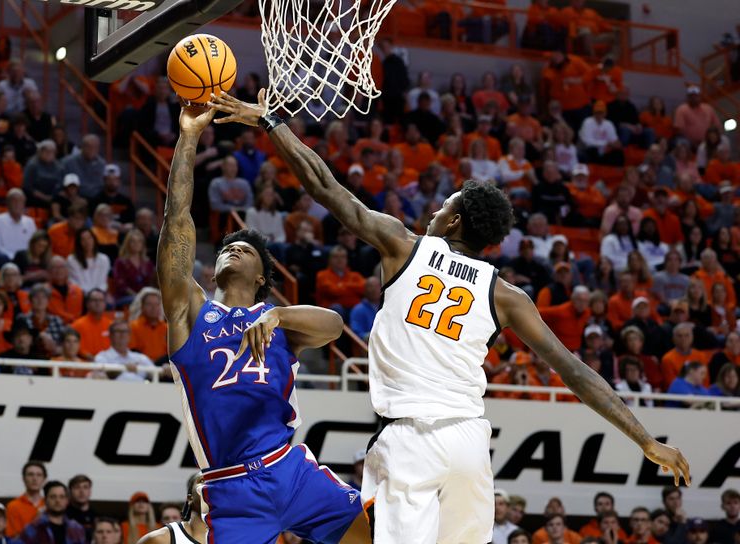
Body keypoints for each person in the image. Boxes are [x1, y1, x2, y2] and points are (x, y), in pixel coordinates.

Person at [211, 89, 690, 544]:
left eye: (443, 207)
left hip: (410, 438)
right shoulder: (506, 295)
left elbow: (323, 186)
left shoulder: (404, 246)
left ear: (454, 221)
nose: (435, 212)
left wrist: (271, 122)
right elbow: (576, 372)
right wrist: (645, 439)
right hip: (468, 442)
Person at [154, 104, 368, 543]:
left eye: (245, 250)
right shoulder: (191, 311)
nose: (233, 250)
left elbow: (333, 325)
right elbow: (177, 218)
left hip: (288, 468)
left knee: (374, 533)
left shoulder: (279, 321)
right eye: (227, 248)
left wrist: (276, 315)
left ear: (261, 278)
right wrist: (189, 138)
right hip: (229, 489)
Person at [135, 476, 205, 544]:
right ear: (190, 498)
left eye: (216, 481)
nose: (212, 485)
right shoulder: (159, 539)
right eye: (203, 480)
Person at [19, 481, 86, 544]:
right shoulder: (34, 527)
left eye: (62, 497)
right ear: (45, 501)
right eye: (53, 497)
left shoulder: (76, 528)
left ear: (67, 501)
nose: (57, 500)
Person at [315, 246, 366, 321]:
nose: (340, 260)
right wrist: (352, 289)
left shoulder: (355, 275)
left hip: (353, 309)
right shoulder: (322, 275)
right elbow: (333, 291)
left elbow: (364, 289)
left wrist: (342, 286)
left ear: (347, 260)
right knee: (337, 308)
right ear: (329, 260)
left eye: (343, 257)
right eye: (336, 257)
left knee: (363, 307)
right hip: (331, 312)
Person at [0, 188, 36, 260]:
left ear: (24, 204)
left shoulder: (30, 222)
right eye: (14, 201)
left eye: (20, 201)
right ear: (7, 203)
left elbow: (33, 245)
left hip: (26, 259)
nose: (17, 204)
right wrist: (13, 257)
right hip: (5, 258)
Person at [112, 229, 155, 306]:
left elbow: (151, 283)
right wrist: (138, 296)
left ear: (142, 244)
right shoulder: (120, 262)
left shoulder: (148, 263)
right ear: (128, 244)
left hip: (146, 296)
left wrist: (146, 296)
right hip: (126, 297)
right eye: (133, 241)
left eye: (139, 241)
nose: (136, 244)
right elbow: (121, 285)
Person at [6, 461, 46, 537]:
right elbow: (14, 539)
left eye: (39, 475)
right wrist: (36, 521)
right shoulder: (13, 506)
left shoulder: (49, 504)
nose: (35, 478)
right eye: (30, 474)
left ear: (44, 480)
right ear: (23, 478)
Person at [128, 287, 168, 364]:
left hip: (163, 368)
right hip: (142, 366)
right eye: (149, 304)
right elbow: (133, 351)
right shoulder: (133, 326)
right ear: (142, 307)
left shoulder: (167, 328)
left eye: (156, 304)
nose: (153, 308)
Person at [71, 289, 112, 360]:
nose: (98, 303)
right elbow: (72, 347)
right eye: (94, 300)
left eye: (101, 300)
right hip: (85, 363)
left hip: (108, 363)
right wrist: (87, 355)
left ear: (105, 304)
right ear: (87, 304)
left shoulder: (111, 325)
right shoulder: (77, 325)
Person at [62, 135, 106, 200]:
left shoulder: (102, 163)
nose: (92, 149)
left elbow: (102, 185)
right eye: (89, 146)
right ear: (82, 147)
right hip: (74, 198)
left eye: (95, 147)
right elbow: (62, 185)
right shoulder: (68, 162)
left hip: (97, 199)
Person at [66, 228, 110, 294]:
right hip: (80, 294)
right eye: (83, 239)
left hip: (99, 294)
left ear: (94, 239)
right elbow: (75, 282)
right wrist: (90, 294)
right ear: (79, 243)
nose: (87, 242)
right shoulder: (72, 260)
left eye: (89, 238)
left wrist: (97, 293)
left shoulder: (104, 259)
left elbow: (102, 282)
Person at [349, 276, 381, 342]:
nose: (374, 289)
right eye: (370, 286)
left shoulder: (386, 308)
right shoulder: (358, 310)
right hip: (367, 344)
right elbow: (356, 334)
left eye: (377, 286)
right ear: (365, 290)